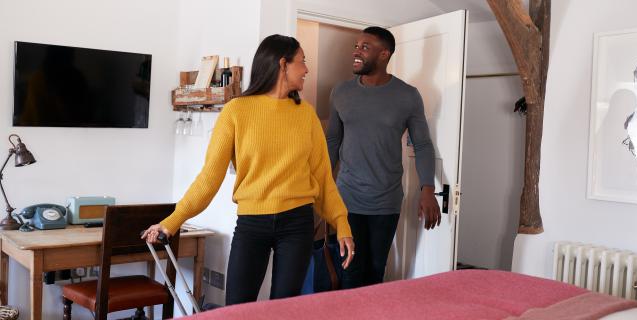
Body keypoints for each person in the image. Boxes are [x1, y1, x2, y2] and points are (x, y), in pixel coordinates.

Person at [142, 34, 355, 305]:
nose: (307, 70)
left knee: (285, 309)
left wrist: (342, 223)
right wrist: (172, 222)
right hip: (252, 223)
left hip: (298, 223)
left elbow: (323, 179)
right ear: (282, 64)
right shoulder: (236, 112)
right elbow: (209, 178)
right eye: (302, 62)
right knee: (237, 308)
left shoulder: (306, 115)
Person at [326, 27, 440, 289]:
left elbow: (422, 144)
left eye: (365, 47)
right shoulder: (341, 92)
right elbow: (332, 140)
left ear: (384, 54)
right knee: (350, 271)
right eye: (356, 45)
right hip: (347, 198)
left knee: (376, 271)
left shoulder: (408, 96)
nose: (356, 50)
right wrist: (319, 185)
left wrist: (428, 189)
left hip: (385, 200)